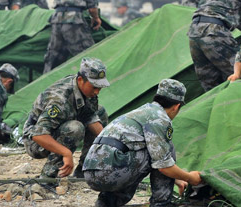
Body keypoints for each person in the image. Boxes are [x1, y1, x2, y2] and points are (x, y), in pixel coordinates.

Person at [83, 79, 202, 207]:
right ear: (176, 106)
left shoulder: (143, 111)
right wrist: (190, 178)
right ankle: (161, 203)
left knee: (141, 154)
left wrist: (176, 178)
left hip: (90, 171)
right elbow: (163, 166)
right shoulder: (159, 118)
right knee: (164, 151)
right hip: (109, 171)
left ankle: (106, 202)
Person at [23, 57, 110, 179]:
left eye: (99, 88)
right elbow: (38, 135)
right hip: (35, 141)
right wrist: (66, 153)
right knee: (75, 128)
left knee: (100, 112)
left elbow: (89, 115)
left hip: (58, 127)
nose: (97, 92)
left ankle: (85, 171)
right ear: (80, 80)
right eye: (94, 87)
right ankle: (48, 178)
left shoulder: (87, 91)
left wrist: (109, 142)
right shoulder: (59, 100)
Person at [43, 0, 101, 73]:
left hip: (57, 19)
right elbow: (92, 7)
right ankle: (94, 86)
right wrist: (96, 18)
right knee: (89, 59)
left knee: (52, 60)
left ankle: (43, 87)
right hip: (74, 21)